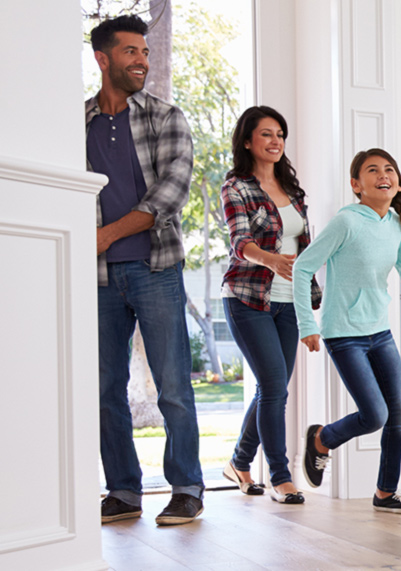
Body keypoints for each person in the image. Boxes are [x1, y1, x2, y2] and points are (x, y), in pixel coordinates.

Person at [87, 14, 205, 526]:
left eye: (145, 52)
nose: (142, 60)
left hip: (155, 268)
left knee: (173, 384)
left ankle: (186, 487)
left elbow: (170, 194)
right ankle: (123, 490)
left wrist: (105, 236)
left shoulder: (165, 116)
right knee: (105, 386)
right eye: (131, 52)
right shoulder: (78, 122)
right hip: (97, 279)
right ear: (103, 58)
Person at [293, 148, 401, 513]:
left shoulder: (395, 224)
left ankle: (386, 493)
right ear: (357, 185)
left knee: (399, 416)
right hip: (343, 333)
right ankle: (321, 439)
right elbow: (302, 267)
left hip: (380, 331)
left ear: (398, 182)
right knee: (375, 415)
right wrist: (307, 324)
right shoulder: (346, 222)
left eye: (389, 169)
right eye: (372, 170)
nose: (382, 175)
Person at [219, 106, 321, 505]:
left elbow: (306, 248)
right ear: (248, 141)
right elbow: (239, 241)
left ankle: (239, 464)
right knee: (275, 388)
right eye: (266, 134)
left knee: (272, 389)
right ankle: (281, 477)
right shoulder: (237, 187)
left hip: (289, 303)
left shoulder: (293, 191)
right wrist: (271, 259)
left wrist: (309, 301)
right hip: (249, 298)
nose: (276, 140)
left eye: (280, 133)